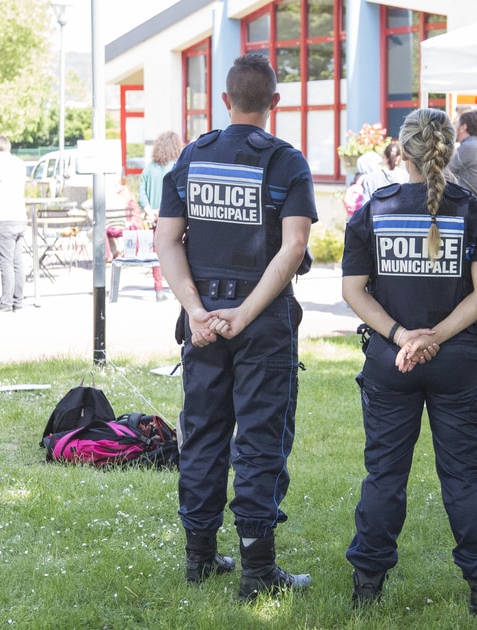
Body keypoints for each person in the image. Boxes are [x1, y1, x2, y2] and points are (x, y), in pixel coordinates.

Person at [340, 108, 477, 617]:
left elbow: (354, 291)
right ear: (448, 147)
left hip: (389, 361)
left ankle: (367, 586)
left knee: (384, 475)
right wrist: (432, 337)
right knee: (463, 478)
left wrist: (403, 337)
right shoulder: (473, 214)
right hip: (455, 360)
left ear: (404, 149)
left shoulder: (374, 210)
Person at [155, 53, 317, 601]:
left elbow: (165, 242)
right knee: (261, 440)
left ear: (225, 101)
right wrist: (243, 314)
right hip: (262, 322)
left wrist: (197, 311)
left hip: (203, 322)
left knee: (201, 434)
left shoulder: (192, 158)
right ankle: (256, 570)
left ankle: (199, 558)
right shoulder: (286, 162)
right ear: (275, 103)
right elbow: (294, 246)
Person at [137, 130, 184, 301]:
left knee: (157, 251)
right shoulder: (177, 166)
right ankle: (175, 288)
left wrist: (149, 209)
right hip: (172, 217)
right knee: (175, 251)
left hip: (152, 217)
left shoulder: (149, 168)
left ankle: (158, 288)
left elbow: (141, 192)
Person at [0, 134, 26, 312]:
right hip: (20, 216)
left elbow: (1, 193)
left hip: (6, 218)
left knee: (5, 263)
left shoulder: (1, 164)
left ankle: (6, 303)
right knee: (17, 262)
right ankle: (18, 302)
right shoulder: (19, 163)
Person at [448, 109, 477, 199]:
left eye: (455, 124)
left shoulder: (469, 147)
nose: (453, 127)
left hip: (466, 206)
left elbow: (444, 170)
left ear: (463, 127)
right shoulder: (474, 145)